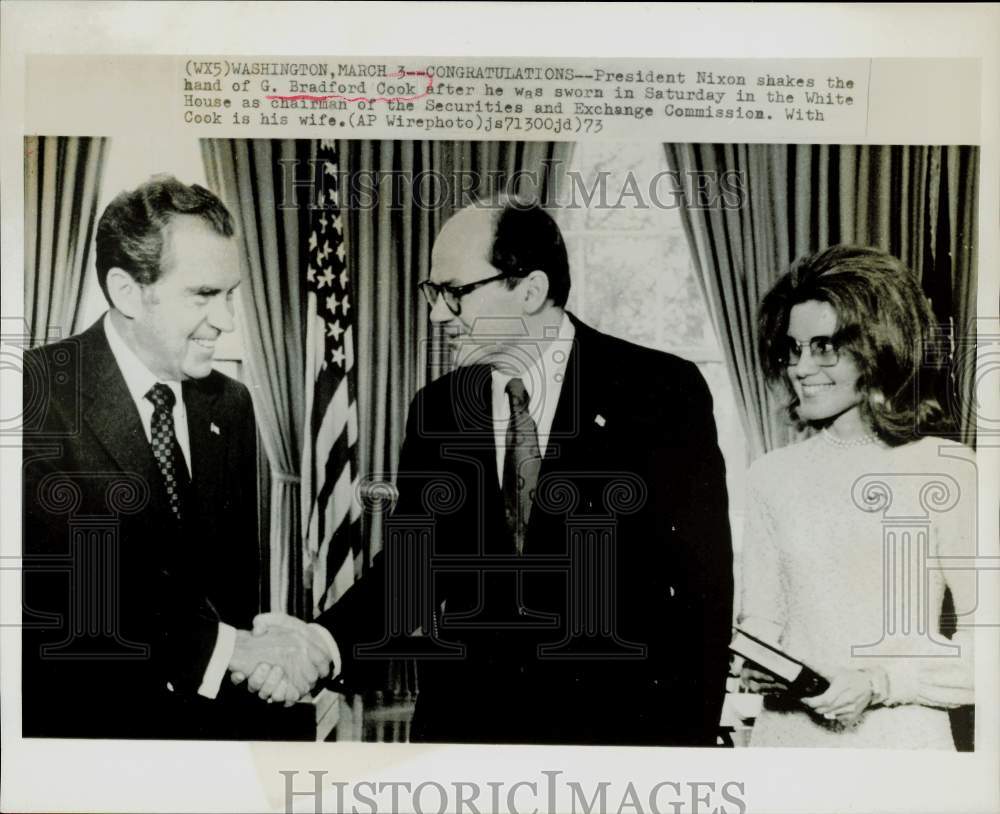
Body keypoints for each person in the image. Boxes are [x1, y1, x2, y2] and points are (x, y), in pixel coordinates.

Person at [251, 197, 734, 746]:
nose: (437, 315)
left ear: (529, 290)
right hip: (467, 736)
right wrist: (321, 641)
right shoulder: (437, 410)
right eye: (433, 294)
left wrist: (687, 750)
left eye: (455, 293)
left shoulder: (661, 393)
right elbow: (414, 570)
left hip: (617, 740)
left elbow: (704, 592)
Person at [22, 175, 330, 739]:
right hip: (91, 738)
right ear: (127, 291)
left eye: (230, 293)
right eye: (204, 295)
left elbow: (234, 590)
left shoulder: (230, 403)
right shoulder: (34, 395)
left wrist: (263, 660)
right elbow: (72, 593)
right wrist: (235, 650)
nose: (228, 320)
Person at [739, 245, 976, 748]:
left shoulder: (945, 469)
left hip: (899, 746)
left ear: (879, 345)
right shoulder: (770, 476)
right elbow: (761, 620)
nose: (801, 367)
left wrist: (880, 684)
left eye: (825, 347)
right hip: (786, 746)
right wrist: (757, 664)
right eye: (793, 348)